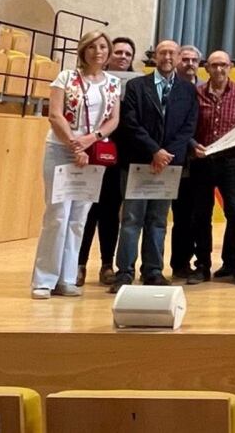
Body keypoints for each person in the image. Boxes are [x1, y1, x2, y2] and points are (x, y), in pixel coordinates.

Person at [32, 31, 121, 298]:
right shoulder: (66, 77)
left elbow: (113, 120)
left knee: (79, 218)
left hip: (94, 153)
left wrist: (91, 140)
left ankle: (67, 278)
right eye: (92, 46)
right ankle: (44, 280)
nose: (98, 51)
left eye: (103, 46)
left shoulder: (113, 83)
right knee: (57, 214)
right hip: (61, 149)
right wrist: (74, 143)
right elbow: (55, 115)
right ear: (83, 50)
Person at [109, 40, 198, 292]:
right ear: (155, 57)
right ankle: (124, 273)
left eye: (172, 52)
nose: (168, 56)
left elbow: (188, 127)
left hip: (169, 164)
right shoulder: (137, 86)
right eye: (163, 52)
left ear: (179, 57)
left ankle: (153, 271)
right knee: (131, 219)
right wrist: (153, 151)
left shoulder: (188, 90)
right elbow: (130, 123)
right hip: (138, 161)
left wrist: (166, 154)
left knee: (158, 221)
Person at [186, 50, 235, 285]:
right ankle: (202, 265)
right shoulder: (195, 94)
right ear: (206, 68)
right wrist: (193, 145)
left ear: (231, 66)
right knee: (200, 215)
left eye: (223, 65)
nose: (219, 69)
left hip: (230, 161)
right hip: (202, 161)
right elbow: (187, 126)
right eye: (214, 65)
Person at [77, 35, 135, 285]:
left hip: (117, 158)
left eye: (127, 54)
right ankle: (78, 265)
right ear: (109, 55)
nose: (122, 57)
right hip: (87, 152)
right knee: (85, 210)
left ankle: (106, 264)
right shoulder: (86, 81)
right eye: (118, 52)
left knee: (110, 212)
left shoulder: (136, 85)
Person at [169, 43, 204, 279]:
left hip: (201, 163)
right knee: (178, 215)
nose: (189, 63)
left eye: (194, 60)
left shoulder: (204, 89)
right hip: (174, 158)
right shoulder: (168, 88)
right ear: (177, 60)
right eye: (185, 59)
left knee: (194, 215)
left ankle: (191, 262)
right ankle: (177, 263)